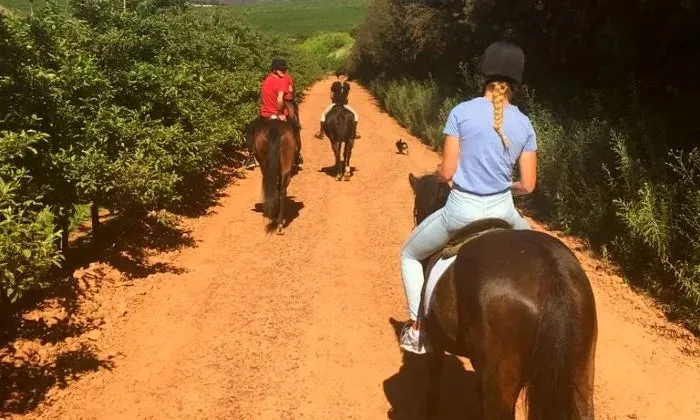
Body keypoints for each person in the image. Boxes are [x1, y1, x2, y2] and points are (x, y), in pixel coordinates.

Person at [398, 41, 538, 355]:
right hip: (505, 211)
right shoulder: (525, 123)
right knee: (540, 260)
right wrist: (505, 185)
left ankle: (418, 329)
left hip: (461, 211)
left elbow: (447, 174)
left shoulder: (461, 112)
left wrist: (447, 171)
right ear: (517, 81)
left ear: (483, 75)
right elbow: (528, 184)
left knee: (408, 255)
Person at [244, 57, 303, 169]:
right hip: (279, 113)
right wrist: (280, 113)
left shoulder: (266, 81)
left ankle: (251, 157)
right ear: (275, 69)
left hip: (265, 115)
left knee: (250, 130)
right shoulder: (282, 82)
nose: (284, 71)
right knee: (295, 127)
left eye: (285, 69)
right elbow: (281, 99)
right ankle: (297, 154)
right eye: (281, 69)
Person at [314, 68, 360, 140]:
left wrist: (335, 98)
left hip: (335, 104)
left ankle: (321, 133)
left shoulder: (334, 84)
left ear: (337, 76)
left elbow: (331, 96)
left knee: (323, 115)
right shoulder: (347, 85)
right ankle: (354, 133)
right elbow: (347, 97)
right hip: (345, 105)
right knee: (356, 115)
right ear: (344, 76)